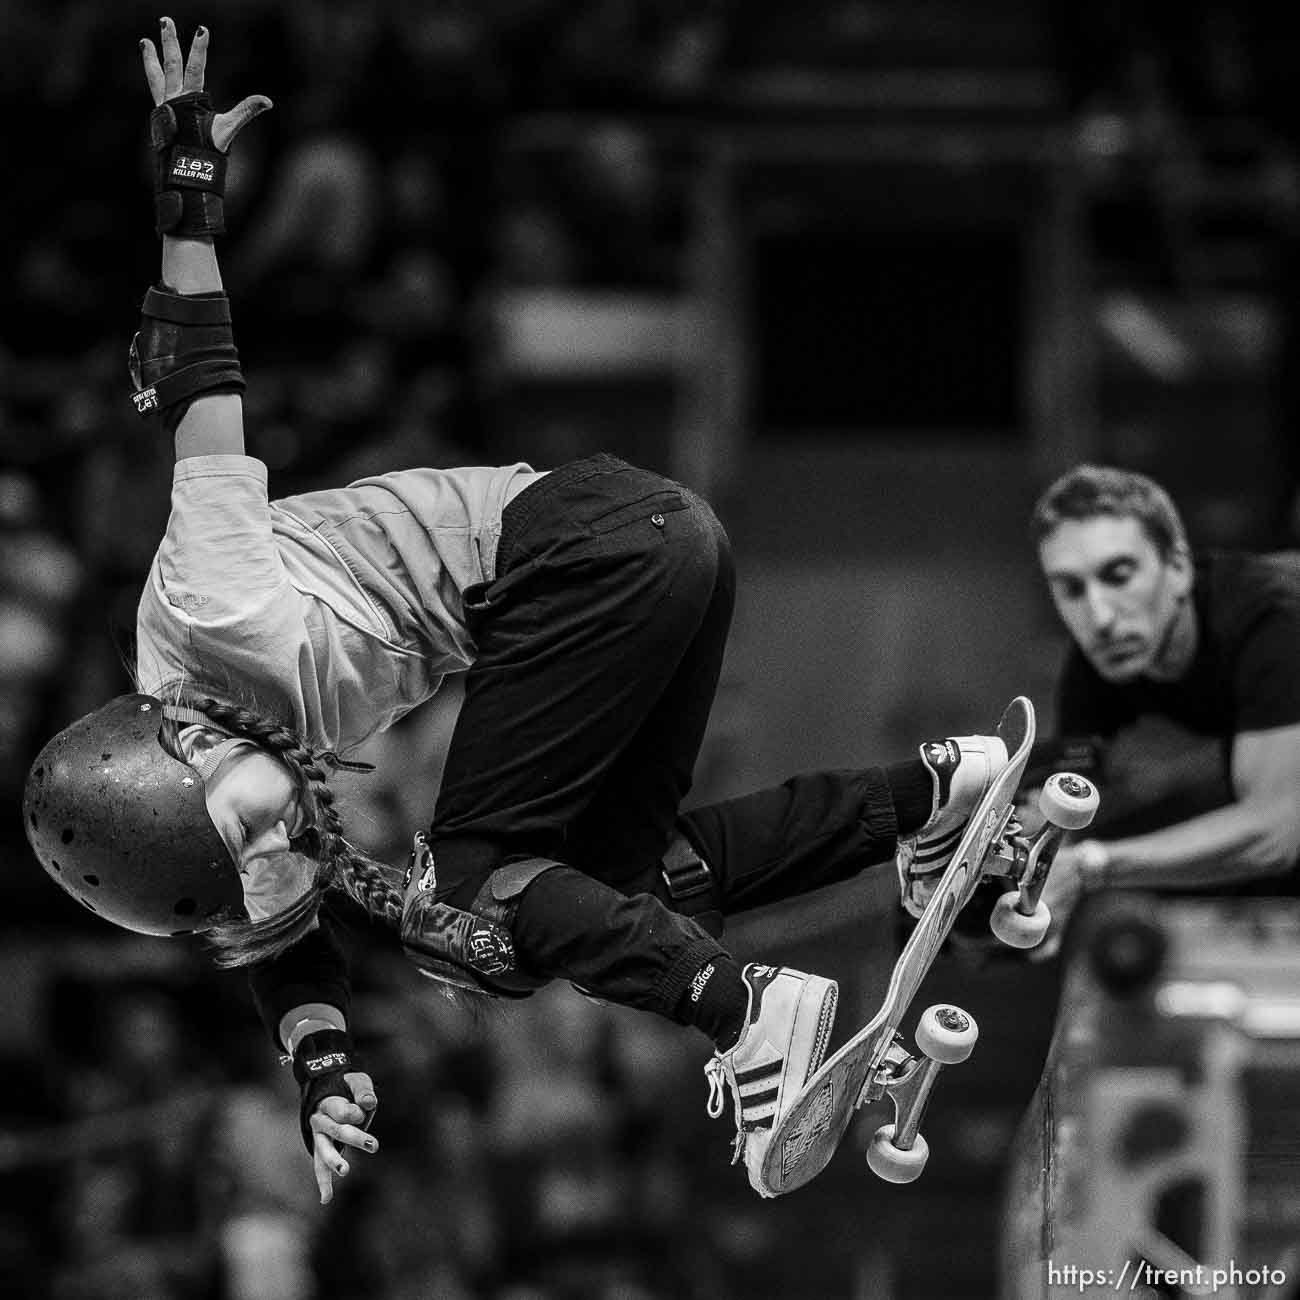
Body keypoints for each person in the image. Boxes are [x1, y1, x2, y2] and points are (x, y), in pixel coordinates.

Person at [23, 18, 1013, 1205]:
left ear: (181, 745)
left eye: (250, 836)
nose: (280, 847)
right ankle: (930, 800)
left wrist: (186, 189)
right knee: (612, 899)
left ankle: (749, 1011)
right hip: (645, 556)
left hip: (584, 553)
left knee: (471, 902)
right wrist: (323, 1069)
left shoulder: (205, 607)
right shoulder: (231, 781)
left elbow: (202, 390)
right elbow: (277, 942)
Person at [1030, 464, 1300, 946]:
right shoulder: (1096, 664)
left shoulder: (1272, 619)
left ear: (1177, 567)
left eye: (1118, 575)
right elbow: (1056, 810)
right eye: (1071, 588)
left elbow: (1277, 833)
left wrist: (1093, 867)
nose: (1099, 616)